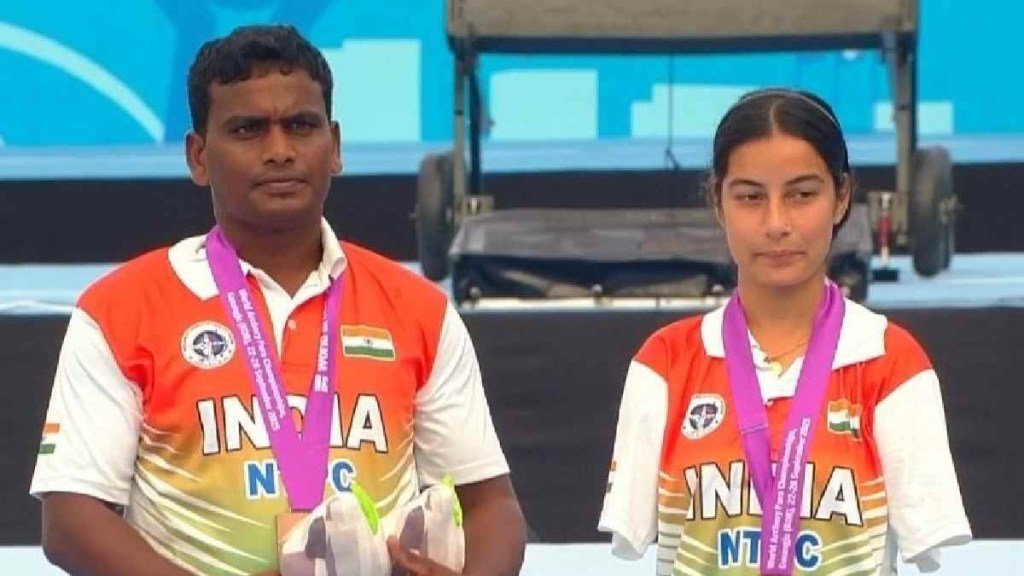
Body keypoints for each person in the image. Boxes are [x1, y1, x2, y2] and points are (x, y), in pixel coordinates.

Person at [30, 24, 526, 576]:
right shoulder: (120, 310)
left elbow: (492, 507)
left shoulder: (418, 309)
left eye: (301, 126)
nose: (280, 151)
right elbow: (71, 520)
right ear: (198, 156)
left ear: (334, 147)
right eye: (247, 130)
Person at [597, 88, 972, 575]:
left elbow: (925, 538)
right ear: (718, 201)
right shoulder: (665, 363)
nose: (776, 224)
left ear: (841, 197)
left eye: (802, 195)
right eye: (751, 197)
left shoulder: (891, 363)